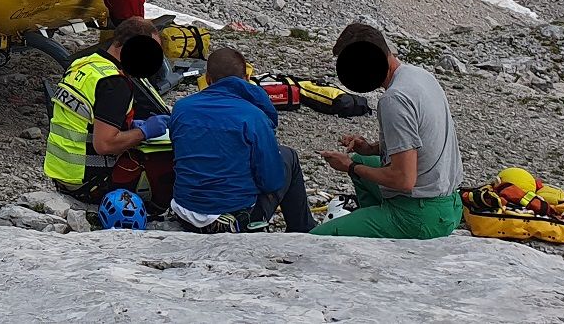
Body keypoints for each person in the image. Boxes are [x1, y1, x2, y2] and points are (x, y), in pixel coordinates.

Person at [312, 22, 463, 239]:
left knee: (318, 239)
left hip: (420, 216)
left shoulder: (395, 100)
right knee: (364, 162)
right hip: (449, 203)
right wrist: (371, 149)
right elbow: (422, 139)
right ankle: (374, 226)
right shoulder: (419, 76)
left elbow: (404, 180)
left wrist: (350, 167)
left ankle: (384, 231)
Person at [169, 46, 315, 234]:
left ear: (207, 79)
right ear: (246, 79)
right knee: (289, 156)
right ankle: (304, 232)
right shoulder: (253, 116)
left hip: (185, 212)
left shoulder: (181, 108)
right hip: (232, 221)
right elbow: (271, 182)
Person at [43, 17, 175, 212]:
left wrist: (127, 125)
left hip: (63, 175)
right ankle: (159, 210)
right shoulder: (114, 83)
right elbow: (104, 144)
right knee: (164, 160)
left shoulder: (85, 64)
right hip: (90, 183)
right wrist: (144, 132)